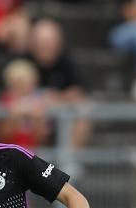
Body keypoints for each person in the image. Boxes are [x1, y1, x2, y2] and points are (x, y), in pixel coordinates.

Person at [26, 18, 91, 150]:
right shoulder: (23, 60)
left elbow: (80, 91)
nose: (44, 46)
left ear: (59, 44)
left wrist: (56, 99)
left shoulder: (67, 63)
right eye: (41, 42)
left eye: (49, 42)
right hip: (29, 116)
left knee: (84, 110)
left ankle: (69, 161)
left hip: (60, 113)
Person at [0, 58, 50, 150]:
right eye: (17, 82)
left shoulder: (40, 101)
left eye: (24, 81)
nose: (21, 85)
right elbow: (3, 133)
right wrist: (14, 117)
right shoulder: (5, 100)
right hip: (10, 151)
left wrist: (36, 119)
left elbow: (43, 138)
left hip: (35, 151)